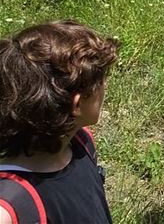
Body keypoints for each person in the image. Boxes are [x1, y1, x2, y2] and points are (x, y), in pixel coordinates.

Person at [0, 20, 119, 224]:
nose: (105, 85)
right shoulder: (11, 205)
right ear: (77, 105)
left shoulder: (80, 141)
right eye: (100, 81)